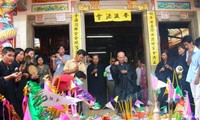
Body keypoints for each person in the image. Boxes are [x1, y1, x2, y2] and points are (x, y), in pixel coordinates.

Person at [0, 47, 22, 119]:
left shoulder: (9, 67)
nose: (12, 58)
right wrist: (10, 76)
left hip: (11, 98)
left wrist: (16, 80)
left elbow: (10, 83)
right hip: (3, 101)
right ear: (2, 55)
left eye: (13, 56)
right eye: (9, 55)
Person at [181, 35, 200, 119]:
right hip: (191, 76)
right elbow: (188, 64)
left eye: (186, 45)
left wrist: (197, 77)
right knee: (194, 97)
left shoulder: (198, 52)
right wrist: (190, 54)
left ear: (191, 43)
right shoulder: (188, 52)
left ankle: (197, 116)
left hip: (197, 76)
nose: (185, 47)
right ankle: (197, 115)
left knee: (197, 97)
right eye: (184, 45)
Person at [173, 45, 194, 112]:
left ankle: (191, 109)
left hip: (187, 77)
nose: (179, 51)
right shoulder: (177, 58)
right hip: (180, 78)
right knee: (181, 93)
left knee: (188, 92)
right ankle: (182, 109)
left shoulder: (187, 57)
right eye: (178, 50)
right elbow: (175, 67)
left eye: (180, 49)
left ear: (184, 50)